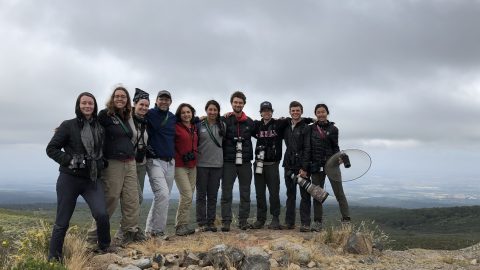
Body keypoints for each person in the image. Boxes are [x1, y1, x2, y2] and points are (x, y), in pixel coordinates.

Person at [46, 92, 110, 260]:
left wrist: (103, 162)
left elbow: (102, 151)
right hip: (69, 179)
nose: (87, 106)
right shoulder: (68, 125)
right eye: (84, 103)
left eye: (90, 103)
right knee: (62, 221)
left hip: (91, 179)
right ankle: (53, 258)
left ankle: (104, 247)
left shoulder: (100, 128)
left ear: (95, 106)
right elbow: (51, 149)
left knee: (102, 214)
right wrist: (70, 160)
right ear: (78, 105)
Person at [96, 86, 144, 244]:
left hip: (130, 162)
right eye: (117, 96)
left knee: (132, 199)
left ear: (127, 100)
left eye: (123, 97)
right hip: (113, 163)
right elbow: (90, 124)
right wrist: (67, 126)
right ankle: (94, 238)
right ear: (112, 98)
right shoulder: (104, 115)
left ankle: (128, 232)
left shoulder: (126, 116)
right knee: (110, 199)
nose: (120, 99)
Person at [301, 104, 351, 231]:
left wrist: (339, 157)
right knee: (318, 195)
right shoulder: (310, 129)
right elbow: (308, 148)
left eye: (323, 112)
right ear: (315, 114)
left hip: (332, 165)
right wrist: (305, 167)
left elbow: (335, 147)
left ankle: (346, 221)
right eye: (318, 112)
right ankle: (318, 223)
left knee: (339, 194)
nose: (321, 114)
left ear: (327, 113)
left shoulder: (333, 129)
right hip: (316, 166)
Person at [251, 101, 289, 230]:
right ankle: (260, 220)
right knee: (260, 193)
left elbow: (294, 120)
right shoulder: (256, 125)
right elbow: (243, 121)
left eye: (268, 110)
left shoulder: (279, 124)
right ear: (260, 112)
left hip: (272, 163)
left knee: (274, 193)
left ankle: (275, 219)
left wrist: (312, 119)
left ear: (272, 112)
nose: (266, 112)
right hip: (258, 163)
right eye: (264, 110)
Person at [220, 91, 255, 231]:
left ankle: (243, 221)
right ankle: (226, 222)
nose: (238, 104)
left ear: (244, 104)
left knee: (245, 193)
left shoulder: (250, 122)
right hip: (228, 161)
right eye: (235, 102)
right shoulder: (224, 120)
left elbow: (264, 130)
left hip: (245, 162)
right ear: (231, 103)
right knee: (226, 192)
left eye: (240, 102)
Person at [145, 90, 176, 237]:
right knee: (163, 194)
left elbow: (189, 121)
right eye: (161, 99)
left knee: (162, 197)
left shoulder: (172, 117)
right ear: (156, 100)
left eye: (167, 99)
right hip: (154, 161)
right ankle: (158, 232)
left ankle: (149, 230)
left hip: (170, 162)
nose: (164, 102)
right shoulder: (149, 114)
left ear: (170, 102)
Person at [196, 100, 225, 232]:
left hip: (217, 165)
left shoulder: (223, 125)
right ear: (206, 110)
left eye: (215, 110)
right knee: (201, 195)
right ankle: (201, 223)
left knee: (213, 195)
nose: (212, 112)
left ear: (218, 111)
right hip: (201, 164)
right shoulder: (199, 125)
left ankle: (211, 222)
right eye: (210, 109)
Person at [282, 101, 312, 232]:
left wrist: (304, 168)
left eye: (297, 110)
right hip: (288, 164)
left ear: (301, 111)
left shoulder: (306, 127)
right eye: (293, 110)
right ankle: (290, 223)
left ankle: (305, 224)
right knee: (290, 194)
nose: (295, 112)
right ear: (289, 112)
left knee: (305, 195)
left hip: (301, 166)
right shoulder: (286, 126)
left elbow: (307, 148)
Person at [173, 103, 199, 236]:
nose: (186, 114)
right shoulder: (175, 127)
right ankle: (180, 226)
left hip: (193, 165)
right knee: (187, 194)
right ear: (179, 114)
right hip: (179, 165)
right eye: (183, 112)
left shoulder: (194, 127)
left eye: (188, 112)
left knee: (188, 196)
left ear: (192, 113)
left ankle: (184, 224)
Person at [128, 88, 150, 205]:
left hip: (141, 163)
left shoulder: (145, 121)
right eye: (141, 104)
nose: (144, 107)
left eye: (147, 105)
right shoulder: (126, 118)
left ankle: (132, 223)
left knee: (137, 200)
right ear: (135, 103)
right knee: (136, 198)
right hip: (128, 163)